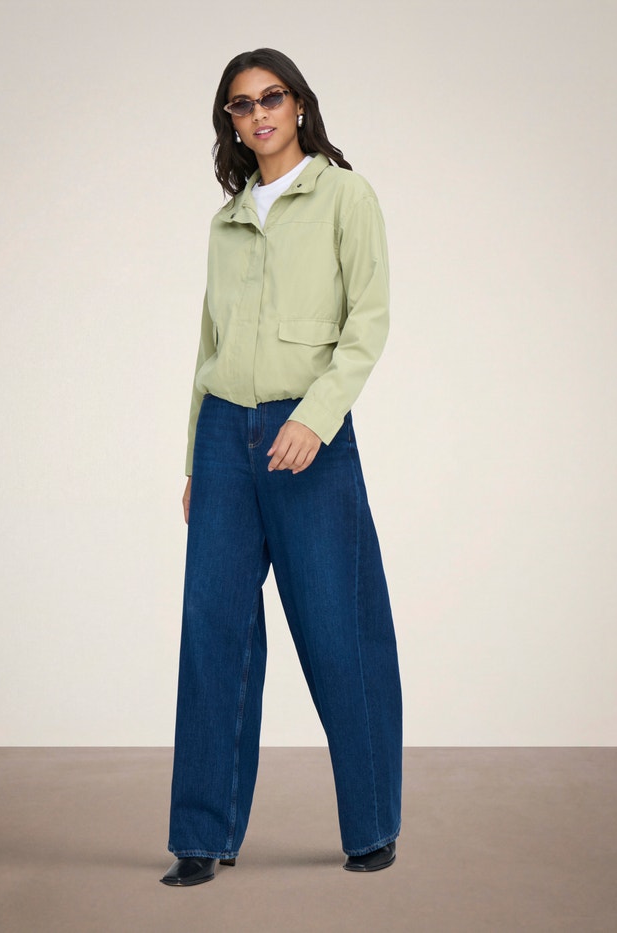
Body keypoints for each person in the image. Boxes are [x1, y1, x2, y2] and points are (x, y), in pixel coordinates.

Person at [161, 48, 402, 887]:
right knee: (212, 632)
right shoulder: (226, 222)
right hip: (225, 435)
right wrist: (197, 460)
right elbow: (208, 347)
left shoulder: (344, 196)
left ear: (299, 105)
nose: (259, 113)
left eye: (272, 97)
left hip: (309, 435)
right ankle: (202, 836)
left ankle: (372, 824)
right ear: (230, 123)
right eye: (242, 104)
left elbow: (367, 323)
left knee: (340, 628)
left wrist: (315, 417)